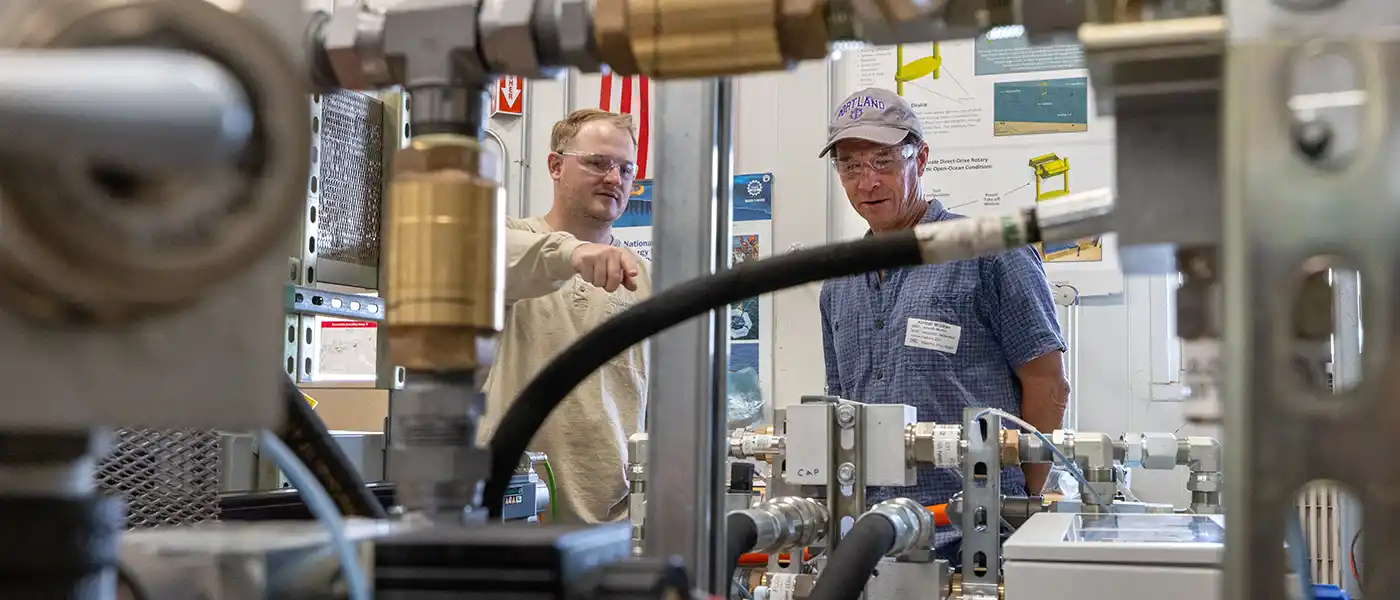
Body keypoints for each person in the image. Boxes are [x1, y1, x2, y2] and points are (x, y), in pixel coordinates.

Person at [818, 88, 1069, 543]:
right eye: (850, 165)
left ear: (921, 157)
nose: (866, 181)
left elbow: (1047, 382)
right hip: (874, 532)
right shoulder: (837, 281)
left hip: (975, 531)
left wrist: (1025, 505)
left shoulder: (990, 250)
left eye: (883, 160)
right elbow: (841, 404)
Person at [479, 108, 649, 524]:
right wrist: (572, 252)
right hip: (512, 514)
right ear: (556, 165)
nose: (614, 178)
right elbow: (484, 251)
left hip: (613, 522)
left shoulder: (641, 275)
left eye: (626, 169)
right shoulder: (506, 239)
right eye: (597, 163)